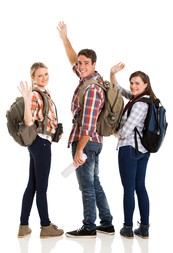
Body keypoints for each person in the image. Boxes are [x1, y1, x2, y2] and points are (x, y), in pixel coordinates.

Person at [57, 21, 114, 238]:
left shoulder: (91, 90)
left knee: (87, 187)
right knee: (95, 182)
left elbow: (88, 125)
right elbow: (73, 57)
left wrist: (79, 150)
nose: (80, 66)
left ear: (94, 64)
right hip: (95, 142)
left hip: (86, 141)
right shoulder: (91, 79)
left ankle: (89, 227)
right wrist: (65, 38)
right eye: (80, 63)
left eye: (85, 63)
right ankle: (106, 223)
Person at [17, 62, 64, 238]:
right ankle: (45, 226)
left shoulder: (44, 93)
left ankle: (23, 226)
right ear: (33, 78)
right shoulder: (36, 95)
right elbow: (29, 121)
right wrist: (27, 100)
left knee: (32, 185)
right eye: (40, 75)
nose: (44, 78)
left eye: (46, 74)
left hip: (38, 144)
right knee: (42, 188)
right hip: (41, 144)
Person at [110, 62, 155, 239]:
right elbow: (119, 89)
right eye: (132, 83)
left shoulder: (139, 105)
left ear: (146, 85)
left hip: (129, 149)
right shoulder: (141, 99)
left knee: (128, 190)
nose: (133, 86)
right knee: (140, 187)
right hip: (143, 151)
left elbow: (125, 131)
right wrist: (112, 73)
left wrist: (114, 132)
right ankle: (144, 228)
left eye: (137, 83)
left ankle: (127, 228)